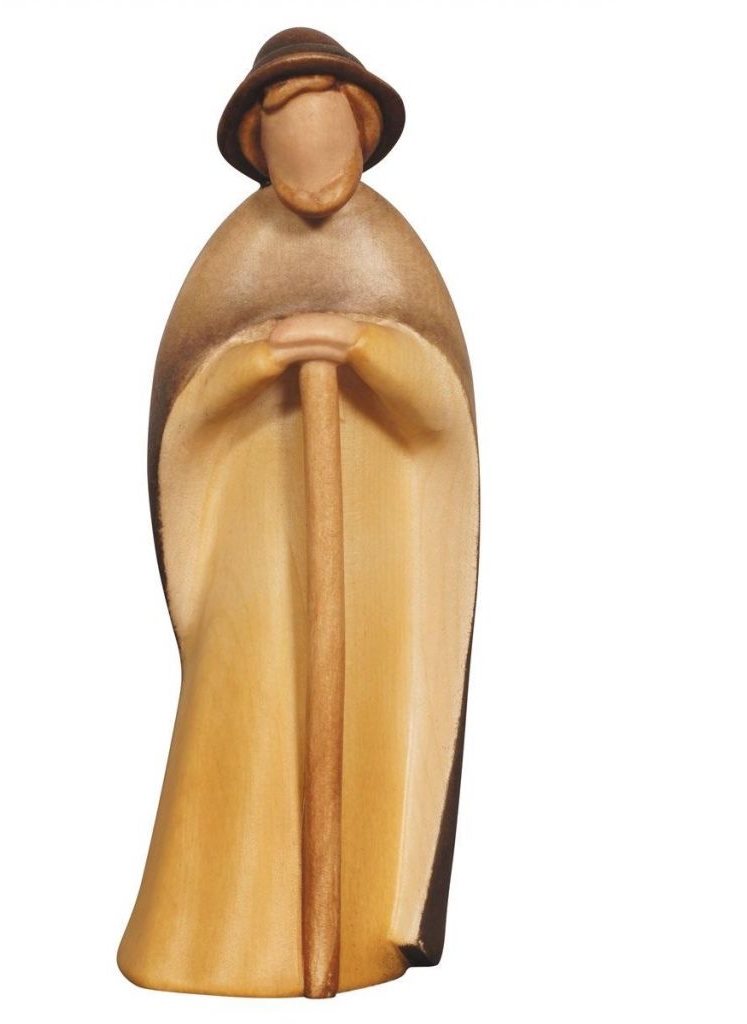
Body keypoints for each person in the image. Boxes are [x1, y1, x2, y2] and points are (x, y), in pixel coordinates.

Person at [119, 28, 481, 997]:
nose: (317, 183)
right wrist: (260, 358)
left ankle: (344, 937)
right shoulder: (235, 255)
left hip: (369, 553)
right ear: (261, 151)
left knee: (362, 729)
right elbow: (183, 411)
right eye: (296, 159)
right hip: (258, 537)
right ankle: (215, 937)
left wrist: (366, 349)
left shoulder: (392, 249)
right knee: (239, 717)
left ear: (361, 139)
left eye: (331, 154)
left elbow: (443, 411)